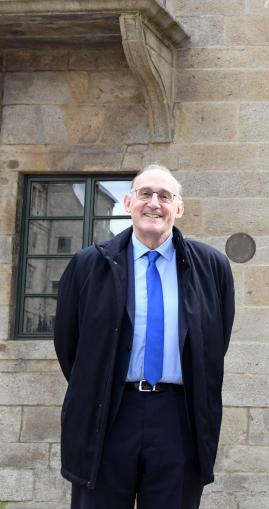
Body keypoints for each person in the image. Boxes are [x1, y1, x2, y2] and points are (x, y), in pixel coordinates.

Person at [54, 164, 235, 508]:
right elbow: (69, 344)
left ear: (178, 208)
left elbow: (215, 341)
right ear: (128, 202)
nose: (154, 203)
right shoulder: (88, 265)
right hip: (107, 414)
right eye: (145, 194)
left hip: (177, 417)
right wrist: (99, 383)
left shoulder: (212, 266)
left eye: (165, 196)